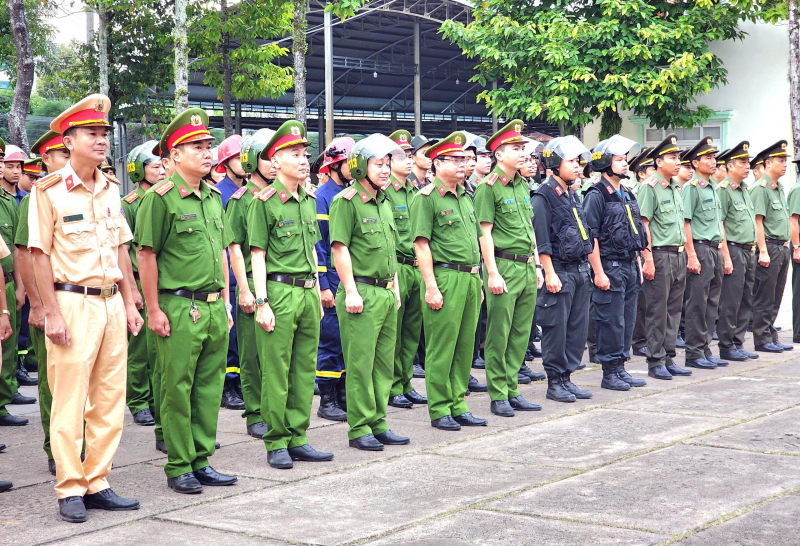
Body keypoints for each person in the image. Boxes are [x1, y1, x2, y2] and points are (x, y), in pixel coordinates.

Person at [28, 94, 143, 522]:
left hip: (111, 303)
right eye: (91, 133)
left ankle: (98, 480)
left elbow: (121, 248)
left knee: (110, 400)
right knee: (70, 400)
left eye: (104, 133)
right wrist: (52, 314)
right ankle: (70, 486)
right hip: (72, 302)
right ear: (69, 140)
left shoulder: (111, 188)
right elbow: (38, 255)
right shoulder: (48, 191)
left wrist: (131, 301)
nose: (101, 140)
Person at [136, 107, 237, 494]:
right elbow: (146, 255)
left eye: (208, 145)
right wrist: (154, 309)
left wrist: (226, 302)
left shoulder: (212, 197)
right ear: (174, 155)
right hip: (178, 306)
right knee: (176, 388)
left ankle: (201, 459)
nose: (207, 152)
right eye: (197, 147)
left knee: (209, 387)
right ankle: (179, 464)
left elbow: (221, 253)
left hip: (212, 305)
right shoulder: (160, 199)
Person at [248, 120, 333, 469]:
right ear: (275, 161)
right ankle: (276, 441)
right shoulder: (264, 202)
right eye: (294, 154)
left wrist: (317, 288)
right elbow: (257, 255)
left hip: (307, 292)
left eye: (304, 154)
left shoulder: (308, 199)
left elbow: (313, 248)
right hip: (279, 291)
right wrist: (262, 302)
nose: (302, 160)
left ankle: (298, 437)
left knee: (303, 370)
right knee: (276, 371)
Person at [329, 134, 408, 451]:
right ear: (360, 166)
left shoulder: (385, 202)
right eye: (378, 164)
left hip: (385, 292)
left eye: (388, 163)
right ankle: (360, 427)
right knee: (361, 365)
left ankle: (378, 422)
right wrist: (350, 291)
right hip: (361, 291)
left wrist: (395, 288)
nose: (386, 169)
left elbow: (390, 250)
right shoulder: (346, 202)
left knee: (383, 364)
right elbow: (340, 248)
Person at [411, 132, 487, 430]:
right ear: (437, 163)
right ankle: (440, 407)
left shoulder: (466, 197)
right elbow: (421, 245)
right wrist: (431, 286)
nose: (462, 164)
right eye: (454, 160)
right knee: (442, 347)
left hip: (469, 278)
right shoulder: (427, 198)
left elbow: (475, 242)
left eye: (464, 159)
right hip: (445, 277)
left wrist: (479, 280)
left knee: (465, 346)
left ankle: (458, 403)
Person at [475, 120, 543, 416]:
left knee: (520, 333)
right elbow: (484, 233)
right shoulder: (488, 188)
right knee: (499, 334)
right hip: (503, 265)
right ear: (499, 154)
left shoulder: (522, 185)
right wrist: (491, 272)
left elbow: (529, 227)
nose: (522, 153)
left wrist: (537, 265)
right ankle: (498, 393)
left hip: (526, 266)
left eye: (523, 148)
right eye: (515, 148)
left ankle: (512, 388)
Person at [16, 132, 69, 472]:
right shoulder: (39, 195)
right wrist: (37, 305)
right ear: (46, 159)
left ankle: (80, 446)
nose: (69, 159)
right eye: (62, 154)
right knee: (54, 381)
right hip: (52, 304)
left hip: (84, 301)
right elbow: (24, 253)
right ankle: (56, 450)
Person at [583, 135, 648, 391]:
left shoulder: (627, 192)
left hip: (629, 264)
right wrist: (598, 272)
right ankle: (609, 372)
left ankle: (620, 367)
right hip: (609, 266)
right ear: (605, 163)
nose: (625, 164)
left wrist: (638, 263)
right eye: (619, 159)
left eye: (625, 159)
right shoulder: (596, 194)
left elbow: (635, 230)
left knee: (627, 320)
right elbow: (591, 236)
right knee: (610, 320)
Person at [532, 136, 594, 402]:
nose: (577, 166)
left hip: (579, 271)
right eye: (571, 161)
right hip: (558, 270)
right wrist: (549, 273)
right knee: (556, 329)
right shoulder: (543, 196)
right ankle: (554, 381)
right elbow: (542, 240)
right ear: (555, 164)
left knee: (576, 330)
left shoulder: (572, 194)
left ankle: (567, 378)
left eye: (578, 161)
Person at [227, 129, 275, 438]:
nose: (274, 164)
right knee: (252, 355)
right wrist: (245, 290)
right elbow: (234, 248)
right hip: (252, 286)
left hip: (279, 286)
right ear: (252, 161)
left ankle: (275, 411)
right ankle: (255, 412)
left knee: (277, 357)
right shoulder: (241, 200)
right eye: (268, 158)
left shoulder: (280, 196)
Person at [636, 135, 692, 380]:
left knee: (673, 311)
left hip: (677, 255)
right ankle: (655, 360)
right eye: (672, 157)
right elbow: (643, 224)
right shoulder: (650, 187)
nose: (678, 162)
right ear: (658, 162)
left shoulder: (675, 188)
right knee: (657, 311)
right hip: (659, 255)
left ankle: (668, 357)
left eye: (678, 157)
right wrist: (647, 259)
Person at [122, 142, 166, 431]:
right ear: (138, 170)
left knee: (159, 350)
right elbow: (125, 250)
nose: (161, 171)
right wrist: (133, 290)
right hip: (138, 280)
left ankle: (155, 399)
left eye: (163, 166)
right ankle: (138, 401)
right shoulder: (129, 204)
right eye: (154, 167)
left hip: (164, 282)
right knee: (139, 349)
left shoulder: (166, 198)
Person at [384, 130, 427, 409]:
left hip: (416, 266)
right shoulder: (385, 191)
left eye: (410, 154)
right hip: (398, 266)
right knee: (395, 334)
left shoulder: (414, 191)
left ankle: (406, 382)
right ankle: (392, 387)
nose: (409, 159)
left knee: (411, 332)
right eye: (402, 155)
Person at [314, 136, 355, 421]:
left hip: (347, 278)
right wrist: (324, 286)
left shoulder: (348, 194)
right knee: (329, 340)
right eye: (349, 162)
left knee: (344, 340)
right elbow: (319, 245)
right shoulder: (323, 196)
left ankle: (342, 396)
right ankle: (327, 401)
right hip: (331, 279)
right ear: (335, 165)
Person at [681, 137, 728, 369]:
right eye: (707, 158)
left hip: (715, 249)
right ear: (695, 163)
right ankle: (693, 352)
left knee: (712, 303)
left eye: (713, 157)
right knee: (697, 303)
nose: (713, 161)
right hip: (700, 248)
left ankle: (705, 347)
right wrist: (691, 255)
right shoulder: (691, 188)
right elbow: (685, 223)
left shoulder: (712, 188)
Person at [211, 135, 247, 411]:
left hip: (248, 273)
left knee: (244, 338)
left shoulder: (251, 193)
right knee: (230, 338)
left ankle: (241, 382)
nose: (243, 162)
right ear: (225, 162)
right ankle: (228, 386)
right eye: (237, 157)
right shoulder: (219, 193)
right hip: (230, 277)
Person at [716, 142, 759, 361]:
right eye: (742, 162)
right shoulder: (724, 190)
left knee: (745, 299)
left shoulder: (744, 190)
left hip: (748, 251)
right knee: (731, 300)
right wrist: (725, 256)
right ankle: (726, 345)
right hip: (733, 249)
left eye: (748, 162)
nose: (747, 166)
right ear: (730, 166)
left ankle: (738, 342)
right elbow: (720, 224)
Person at [749, 140, 793, 353]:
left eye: (785, 160)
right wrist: (763, 250)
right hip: (770, 247)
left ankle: (770, 335)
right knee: (765, 295)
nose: (784, 164)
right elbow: (757, 221)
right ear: (767, 163)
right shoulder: (761, 188)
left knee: (776, 295)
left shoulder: (778, 188)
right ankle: (762, 338)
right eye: (780, 160)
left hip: (782, 247)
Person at [627, 147, 655, 358]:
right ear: (641, 174)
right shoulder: (637, 193)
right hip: (639, 251)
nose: (656, 172)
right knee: (641, 301)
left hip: (652, 249)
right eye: (651, 169)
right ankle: (639, 341)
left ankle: (646, 339)